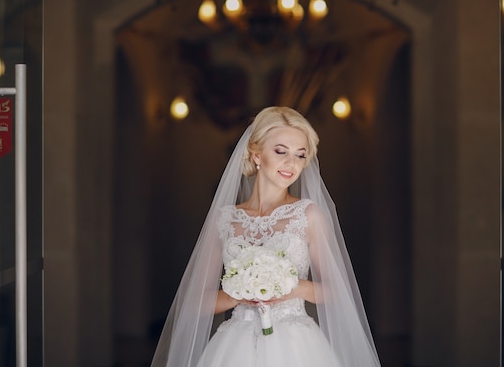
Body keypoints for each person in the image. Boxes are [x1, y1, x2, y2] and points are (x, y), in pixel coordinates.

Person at [151, 106, 381, 367]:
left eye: (300, 155)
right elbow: (196, 301)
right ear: (256, 154)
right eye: (281, 151)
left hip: (296, 346)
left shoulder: (307, 215)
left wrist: (287, 288)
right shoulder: (225, 220)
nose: (290, 163)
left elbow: (336, 291)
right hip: (235, 345)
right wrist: (240, 293)